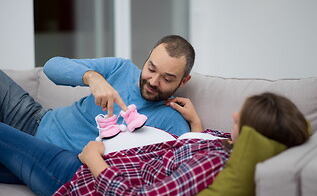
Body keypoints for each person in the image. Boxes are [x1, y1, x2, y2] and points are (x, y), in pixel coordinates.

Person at [0, 92, 310, 196]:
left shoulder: (213, 165)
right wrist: (196, 125)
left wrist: (94, 160)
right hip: (77, 164)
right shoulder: (223, 145)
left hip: (70, 176)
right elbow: (185, 153)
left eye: (241, 119)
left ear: (255, 133)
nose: (232, 118)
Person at [0, 35, 195, 154]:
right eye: (151, 69)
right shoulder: (121, 68)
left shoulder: (170, 120)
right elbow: (52, 66)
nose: (153, 81)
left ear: (183, 81)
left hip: (44, 156)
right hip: (34, 118)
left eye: (167, 79)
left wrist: (195, 123)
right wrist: (92, 77)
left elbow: (193, 161)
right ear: (147, 58)